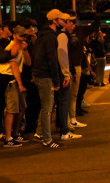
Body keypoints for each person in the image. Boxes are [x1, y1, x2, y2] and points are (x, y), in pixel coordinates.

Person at [32, 9, 64, 148]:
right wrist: (56, 81)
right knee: (47, 108)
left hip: (39, 73)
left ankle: (40, 133)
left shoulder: (42, 35)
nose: (63, 22)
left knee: (45, 106)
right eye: (61, 19)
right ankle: (47, 139)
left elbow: (35, 54)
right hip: (45, 75)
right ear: (55, 21)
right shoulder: (51, 37)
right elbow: (52, 60)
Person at [1, 26, 30, 147]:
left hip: (16, 80)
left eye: (25, 36)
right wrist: (20, 84)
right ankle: (8, 137)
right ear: (15, 36)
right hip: (10, 80)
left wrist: (25, 50)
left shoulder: (20, 47)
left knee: (21, 108)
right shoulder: (12, 47)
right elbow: (13, 67)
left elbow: (28, 62)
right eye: (21, 36)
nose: (23, 38)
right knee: (12, 109)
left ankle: (16, 133)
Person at [55, 12, 82, 140]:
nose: (71, 24)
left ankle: (63, 128)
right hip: (60, 73)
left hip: (60, 72)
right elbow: (63, 55)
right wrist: (67, 74)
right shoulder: (62, 36)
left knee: (62, 101)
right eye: (68, 21)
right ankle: (64, 131)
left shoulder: (59, 35)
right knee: (63, 101)